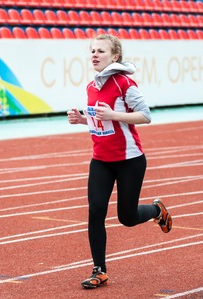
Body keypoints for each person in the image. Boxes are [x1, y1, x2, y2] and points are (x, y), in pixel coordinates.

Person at [67, 34, 173, 290]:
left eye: (100, 51)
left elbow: (145, 116)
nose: (94, 54)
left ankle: (157, 210)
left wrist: (114, 114)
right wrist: (83, 120)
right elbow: (100, 121)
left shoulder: (125, 83)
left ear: (114, 56)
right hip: (101, 160)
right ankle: (99, 270)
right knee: (95, 212)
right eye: (92, 50)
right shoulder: (92, 86)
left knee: (126, 217)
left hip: (130, 160)